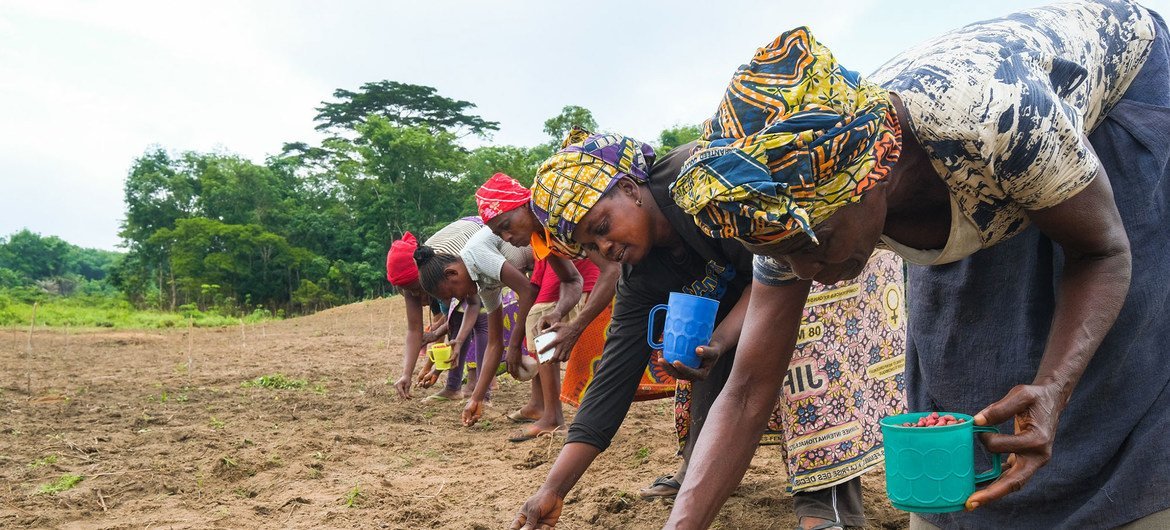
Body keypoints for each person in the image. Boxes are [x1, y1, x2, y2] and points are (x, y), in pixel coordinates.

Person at [665, 1, 1170, 528]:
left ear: (878, 176)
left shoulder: (991, 114)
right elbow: (747, 389)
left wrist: (1055, 386)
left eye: (818, 242)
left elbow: (1102, 252)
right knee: (956, 357)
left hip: (1116, 90)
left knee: (1113, 362)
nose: (806, 271)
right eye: (783, 252)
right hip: (977, 161)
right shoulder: (787, 197)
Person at [513, 128, 905, 530]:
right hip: (755, 290)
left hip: (826, 255)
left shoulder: (706, 181)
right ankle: (699, 471)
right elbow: (610, 386)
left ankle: (828, 503)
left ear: (629, 189)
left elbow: (778, 269)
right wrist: (553, 489)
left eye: (600, 227)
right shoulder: (641, 274)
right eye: (591, 247)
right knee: (699, 353)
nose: (605, 249)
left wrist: (721, 339)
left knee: (801, 333)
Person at [474, 173, 589, 441]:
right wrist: (558, 313)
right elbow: (570, 279)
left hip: (604, 266)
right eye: (499, 233)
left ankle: (555, 415)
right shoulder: (540, 236)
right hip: (580, 269)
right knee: (542, 321)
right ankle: (548, 411)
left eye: (507, 225)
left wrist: (574, 326)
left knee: (541, 318)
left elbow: (611, 269)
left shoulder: (559, 220)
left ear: (525, 205)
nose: (507, 237)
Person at [412, 223, 538, 428]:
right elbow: (494, 343)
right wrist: (476, 398)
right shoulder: (484, 284)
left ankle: (547, 410)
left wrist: (514, 346)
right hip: (539, 264)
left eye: (452, 294)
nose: (458, 298)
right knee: (537, 328)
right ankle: (542, 406)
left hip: (550, 249)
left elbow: (528, 292)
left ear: (452, 274)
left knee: (539, 322)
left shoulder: (477, 255)